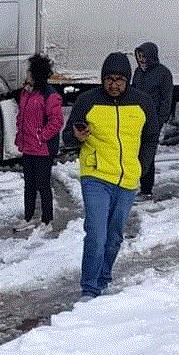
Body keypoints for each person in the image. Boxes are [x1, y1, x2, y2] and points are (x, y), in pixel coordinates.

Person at [63, 52, 158, 301]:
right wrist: (76, 138)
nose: (114, 84)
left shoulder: (142, 103)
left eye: (119, 79)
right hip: (95, 175)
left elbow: (150, 138)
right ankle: (90, 288)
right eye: (109, 79)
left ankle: (103, 278)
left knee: (114, 236)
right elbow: (68, 135)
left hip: (127, 179)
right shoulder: (87, 101)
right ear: (102, 79)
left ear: (127, 80)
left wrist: (142, 166)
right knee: (96, 232)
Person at [11, 54, 63, 233]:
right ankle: (28, 217)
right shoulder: (26, 91)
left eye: (29, 71)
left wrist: (41, 137)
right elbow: (22, 117)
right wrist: (21, 137)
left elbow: (56, 122)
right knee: (29, 185)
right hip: (28, 148)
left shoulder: (49, 95)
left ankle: (47, 220)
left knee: (43, 184)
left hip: (42, 149)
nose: (26, 74)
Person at [132, 41, 173, 197]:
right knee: (134, 152)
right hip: (136, 119)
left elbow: (166, 99)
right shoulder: (138, 72)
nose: (142, 59)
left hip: (152, 121)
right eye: (139, 56)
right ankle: (133, 185)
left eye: (144, 56)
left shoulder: (163, 73)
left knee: (147, 155)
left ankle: (146, 189)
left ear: (152, 56)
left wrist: (160, 120)